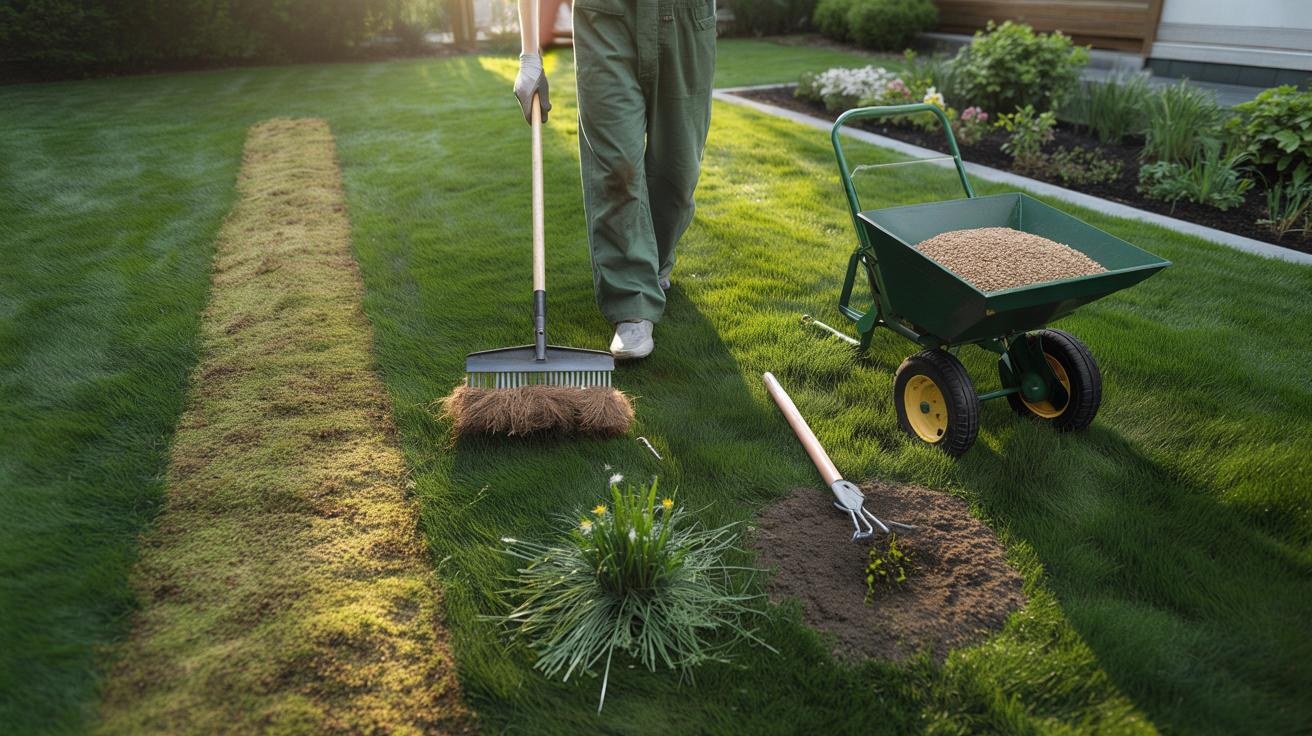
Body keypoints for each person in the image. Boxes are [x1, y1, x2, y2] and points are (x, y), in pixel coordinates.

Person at [513, 0, 717, 359]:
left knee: (679, 172)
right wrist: (530, 56)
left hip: (687, 17)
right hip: (603, 19)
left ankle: (654, 264)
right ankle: (631, 304)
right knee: (616, 167)